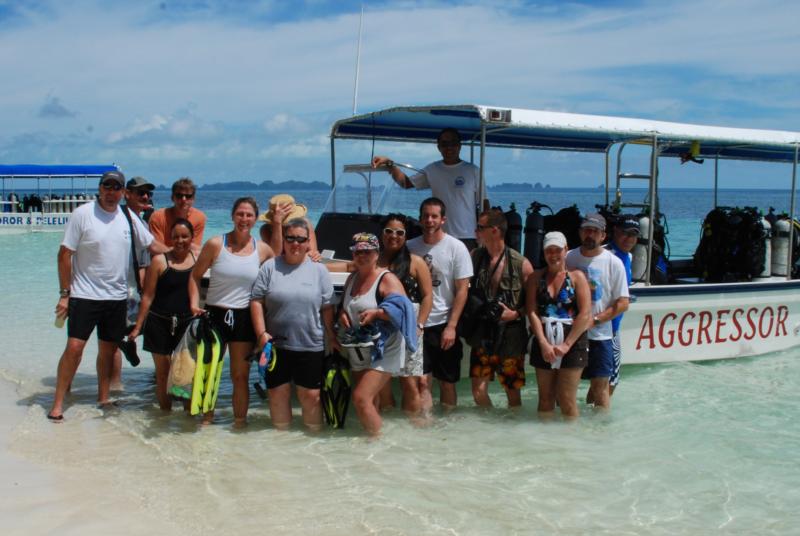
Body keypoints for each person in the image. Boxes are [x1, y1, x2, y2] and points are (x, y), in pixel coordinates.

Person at [48, 170, 168, 421]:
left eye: (117, 187)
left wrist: (185, 255)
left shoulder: (128, 217)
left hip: (116, 297)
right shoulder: (83, 214)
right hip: (84, 294)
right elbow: (64, 254)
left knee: (107, 350)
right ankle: (58, 402)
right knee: (74, 347)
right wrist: (64, 294)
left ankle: (103, 398)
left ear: (124, 192)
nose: (111, 192)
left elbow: (153, 245)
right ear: (100, 188)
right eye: (107, 186)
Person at [188, 197, 274, 425]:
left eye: (249, 215)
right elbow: (195, 276)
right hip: (215, 315)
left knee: (240, 375)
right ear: (232, 216)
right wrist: (194, 304)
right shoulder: (216, 244)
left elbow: (281, 267)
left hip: (244, 317)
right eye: (240, 214)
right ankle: (206, 420)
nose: (244, 219)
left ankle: (239, 423)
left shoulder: (263, 250)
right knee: (209, 372)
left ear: (255, 219)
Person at [250, 218, 337, 430]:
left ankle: (314, 441)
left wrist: (332, 337)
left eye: (300, 239)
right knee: (277, 395)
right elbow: (256, 301)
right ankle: (281, 446)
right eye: (290, 238)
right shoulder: (270, 267)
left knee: (311, 396)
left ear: (309, 242)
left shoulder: (319, 270)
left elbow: (327, 307)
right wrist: (261, 334)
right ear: (284, 240)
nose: (295, 243)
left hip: (310, 344)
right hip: (276, 346)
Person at [339, 233, 415, 435]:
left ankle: (377, 441)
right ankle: (373, 443)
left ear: (376, 254)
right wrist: (341, 315)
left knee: (361, 398)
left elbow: (404, 310)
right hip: (359, 346)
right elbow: (346, 306)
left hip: (385, 348)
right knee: (372, 400)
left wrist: (377, 313)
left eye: (367, 252)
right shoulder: (352, 278)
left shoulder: (386, 278)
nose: (362, 255)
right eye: (357, 252)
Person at [372, 128, 489, 250]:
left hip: (467, 236)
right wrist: (390, 165)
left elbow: (484, 203)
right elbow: (406, 183)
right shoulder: (432, 169)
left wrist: (484, 233)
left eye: (453, 143)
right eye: (444, 144)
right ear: (439, 147)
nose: (449, 147)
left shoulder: (473, 170)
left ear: (459, 146)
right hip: (439, 235)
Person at [406, 198, 473, 411]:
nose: (429, 220)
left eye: (434, 216)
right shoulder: (409, 247)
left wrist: (452, 326)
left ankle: (448, 429)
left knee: (447, 382)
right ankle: (426, 429)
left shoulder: (456, 247)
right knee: (423, 381)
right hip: (418, 324)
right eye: (425, 215)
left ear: (443, 219)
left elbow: (462, 290)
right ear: (420, 218)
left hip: (445, 323)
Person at [467, 209, 534, 408]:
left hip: (510, 336)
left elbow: (532, 305)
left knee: (512, 393)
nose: (476, 231)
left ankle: (511, 433)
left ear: (495, 230)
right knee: (478, 391)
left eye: (480, 227)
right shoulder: (475, 257)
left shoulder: (521, 264)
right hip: (483, 334)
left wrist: (515, 313)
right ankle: (490, 430)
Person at [128, 219, 196, 411]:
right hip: (158, 322)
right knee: (163, 374)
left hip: (187, 323)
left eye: (185, 236)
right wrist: (137, 327)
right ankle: (164, 417)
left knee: (185, 375)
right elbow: (148, 297)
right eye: (175, 237)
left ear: (192, 238)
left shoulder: (197, 260)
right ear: (169, 239)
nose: (180, 240)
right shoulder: (159, 261)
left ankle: (189, 418)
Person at [565, 213, 629, 409]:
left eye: (595, 231)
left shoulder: (613, 262)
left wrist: (595, 320)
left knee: (600, 389)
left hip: (601, 336)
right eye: (586, 230)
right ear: (580, 233)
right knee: (567, 389)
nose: (590, 235)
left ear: (603, 235)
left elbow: (623, 303)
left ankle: (600, 434)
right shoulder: (569, 257)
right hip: (572, 334)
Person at [527, 232, 592, 417]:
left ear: (565, 250)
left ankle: (570, 442)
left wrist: (566, 345)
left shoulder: (577, 277)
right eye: (549, 251)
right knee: (545, 398)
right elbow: (532, 311)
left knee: (566, 398)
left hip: (573, 342)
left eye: (557, 250)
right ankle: (546, 441)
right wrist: (543, 343)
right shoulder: (535, 278)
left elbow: (585, 314)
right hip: (544, 339)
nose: (553, 255)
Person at [375, 214, 433, 418]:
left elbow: (427, 297)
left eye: (399, 232)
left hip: (409, 328)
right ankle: (389, 426)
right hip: (382, 327)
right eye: (388, 231)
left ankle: (413, 429)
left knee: (410, 382)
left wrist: (420, 325)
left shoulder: (416, 262)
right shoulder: (374, 261)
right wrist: (315, 260)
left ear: (406, 236)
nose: (394, 236)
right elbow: (348, 267)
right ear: (381, 234)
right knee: (381, 382)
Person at [606, 216, 639, 397]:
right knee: (604, 380)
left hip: (615, 327)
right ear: (615, 232)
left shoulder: (629, 257)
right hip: (600, 326)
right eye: (625, 234)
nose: (629, 239)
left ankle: (595, 416)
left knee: (611, 380)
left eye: (633, 235)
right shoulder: (604, 255)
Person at [148, 177, 207, 252]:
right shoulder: (158, 217)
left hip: (187, 259)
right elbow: (156, 247)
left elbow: (195, 248)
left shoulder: (199, 217)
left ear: (193, 199)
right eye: (179, 196)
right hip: (163, 259)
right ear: (172, 198)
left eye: (188, 196)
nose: (184, 199)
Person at [257, 194, 321, 260]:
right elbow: (275, 255)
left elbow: (312, 252)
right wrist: (277, 224)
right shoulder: (266, 230)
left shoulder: (304, 224)